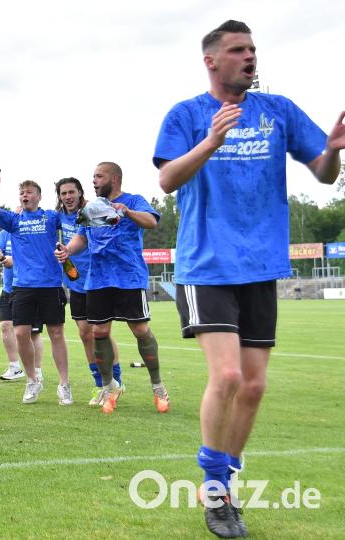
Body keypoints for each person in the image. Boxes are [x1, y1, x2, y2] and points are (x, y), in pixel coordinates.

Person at [153, 20, 343, 538]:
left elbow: (323, 173)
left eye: (254, 49)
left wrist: (335, 150)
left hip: (261, 266)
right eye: (238, 49)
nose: (250, 57)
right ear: (212, 60)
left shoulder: (276, 110)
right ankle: (215, 489)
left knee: (255, 386)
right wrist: (212, 141)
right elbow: (167, 180)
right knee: (230, 376)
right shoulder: (187, 114)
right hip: (206, 265)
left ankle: (227, 480)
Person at [56, 164, 166, 415]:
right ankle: (109, 386)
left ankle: (158, 385)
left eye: (98, 176)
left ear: (114, 178)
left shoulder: (134, 200)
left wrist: (127, 212)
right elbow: (82, 237)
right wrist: (68, 250)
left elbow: (151, 222)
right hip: (98, 279)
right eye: (93, 177)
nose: (93, 181)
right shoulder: (91, 208)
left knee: (140, 330)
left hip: (129, 277)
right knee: (99, 332)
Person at [0, 173, 71, 406]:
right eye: (22, 192)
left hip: (50, 285)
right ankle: (32, 380)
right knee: (21, 333)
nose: (25, 195)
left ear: (39, 197)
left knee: (56, 334)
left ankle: (64, 384)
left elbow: (73, 221)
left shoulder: (51, 217)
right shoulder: (13, 220)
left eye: (29, 192)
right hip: (22, 287)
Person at [54, 178, 122, 406]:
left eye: (71, 192)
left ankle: (115, 382)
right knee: (84, 333)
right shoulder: (58, 216)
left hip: (97, 279)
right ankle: (100, 384)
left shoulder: (94, 210)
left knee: (100, 332)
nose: (67, 197)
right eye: (63, 193)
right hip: (75, 281)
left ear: (80, 192)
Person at [0, 217, 47, 383]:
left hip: (29, 289)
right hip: (9, 289)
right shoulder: (5, 233)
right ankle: (15, 367)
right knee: (5, 326)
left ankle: (37, 371)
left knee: (33, 333)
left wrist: (6, 259)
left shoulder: (32, 234)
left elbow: (19, 260)